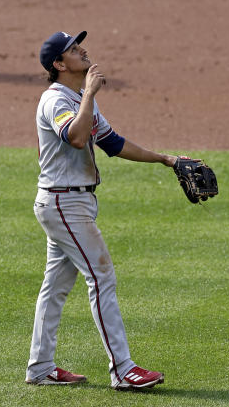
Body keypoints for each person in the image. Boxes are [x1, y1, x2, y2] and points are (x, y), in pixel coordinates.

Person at [26, 30, 182, 391]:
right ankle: (123, 369)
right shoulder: (57, 101)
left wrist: (166, 160)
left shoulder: (80, 99)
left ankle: (41, 367)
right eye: (73, 49)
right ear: (59, 64)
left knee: (55, 287)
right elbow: (77, 137)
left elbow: (112, 143)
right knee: (101, 276)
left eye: (80, 45)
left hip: (71, 203)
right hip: (64, 203)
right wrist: (92, 93)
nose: (82, 50)